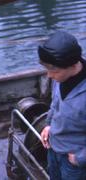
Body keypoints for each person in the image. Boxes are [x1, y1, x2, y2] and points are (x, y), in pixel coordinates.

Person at [39, 31, 86, 179]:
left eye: (53, 70)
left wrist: (80, 158)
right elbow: (55, 104)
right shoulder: (60, 78)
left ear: (72, 65)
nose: (49, 75)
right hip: (53, 148)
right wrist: (48, 124)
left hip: (74, 160)